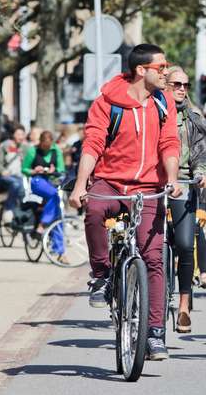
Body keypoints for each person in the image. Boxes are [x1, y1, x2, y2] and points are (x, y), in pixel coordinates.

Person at [68, 43, 181, 360]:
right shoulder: (107, 102)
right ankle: (102, 275)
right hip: (111, 180)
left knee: (154, 258)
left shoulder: (163, 103)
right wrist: (79, 186)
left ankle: (155, 333)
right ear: (141, 70)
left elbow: (169, 143)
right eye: (161, 67)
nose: (166, 72)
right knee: (94, 210)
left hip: (147, 186)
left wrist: (171, 179)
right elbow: (92, 144)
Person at [164, 66, 206, 333]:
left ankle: (183, 304)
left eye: (185, 84)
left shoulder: (194, 117)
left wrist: (201, 172)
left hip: (183, 183)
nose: (182, 89)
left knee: (185, 243)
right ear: (165, 85)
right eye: (176, 84)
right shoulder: (153, 112)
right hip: (154, 183)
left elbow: (203, 149)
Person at [22, 130, 66, 260]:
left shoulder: (56, 150)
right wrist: (34, 170)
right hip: (37, 182)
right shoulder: (32, 151)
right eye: (44, 146)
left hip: (50, 181)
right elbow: (24, 169)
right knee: (55, 195)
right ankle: (43, 223)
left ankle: (60, 252)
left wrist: (54, 170)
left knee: (58, 216)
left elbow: (61, 169)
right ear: (40, 143)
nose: (46, 148)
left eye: (48, 146)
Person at [0, 124, 28, 223]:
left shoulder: (26, 147)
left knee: (24, 187)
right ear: (13, 135)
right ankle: (8, 208)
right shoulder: (5, 145)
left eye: (22, 134)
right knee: (16, 184)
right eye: (18, 134)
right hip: (7, 177)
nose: (21, 137)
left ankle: (22, 211)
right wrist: (2, 170)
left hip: (21, 176)